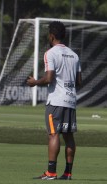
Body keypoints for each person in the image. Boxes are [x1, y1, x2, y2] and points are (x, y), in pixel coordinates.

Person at [27, 21, 82, 180]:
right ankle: (68, 173)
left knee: (53, 134)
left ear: (51, 36)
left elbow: (49, 78)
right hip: (71, 101)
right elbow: (79, 82)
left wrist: (35, 82)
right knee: (69, 136)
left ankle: (51, 172)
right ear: (63, 35)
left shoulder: (50, 53)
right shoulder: (74, 55)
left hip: (56, 102)